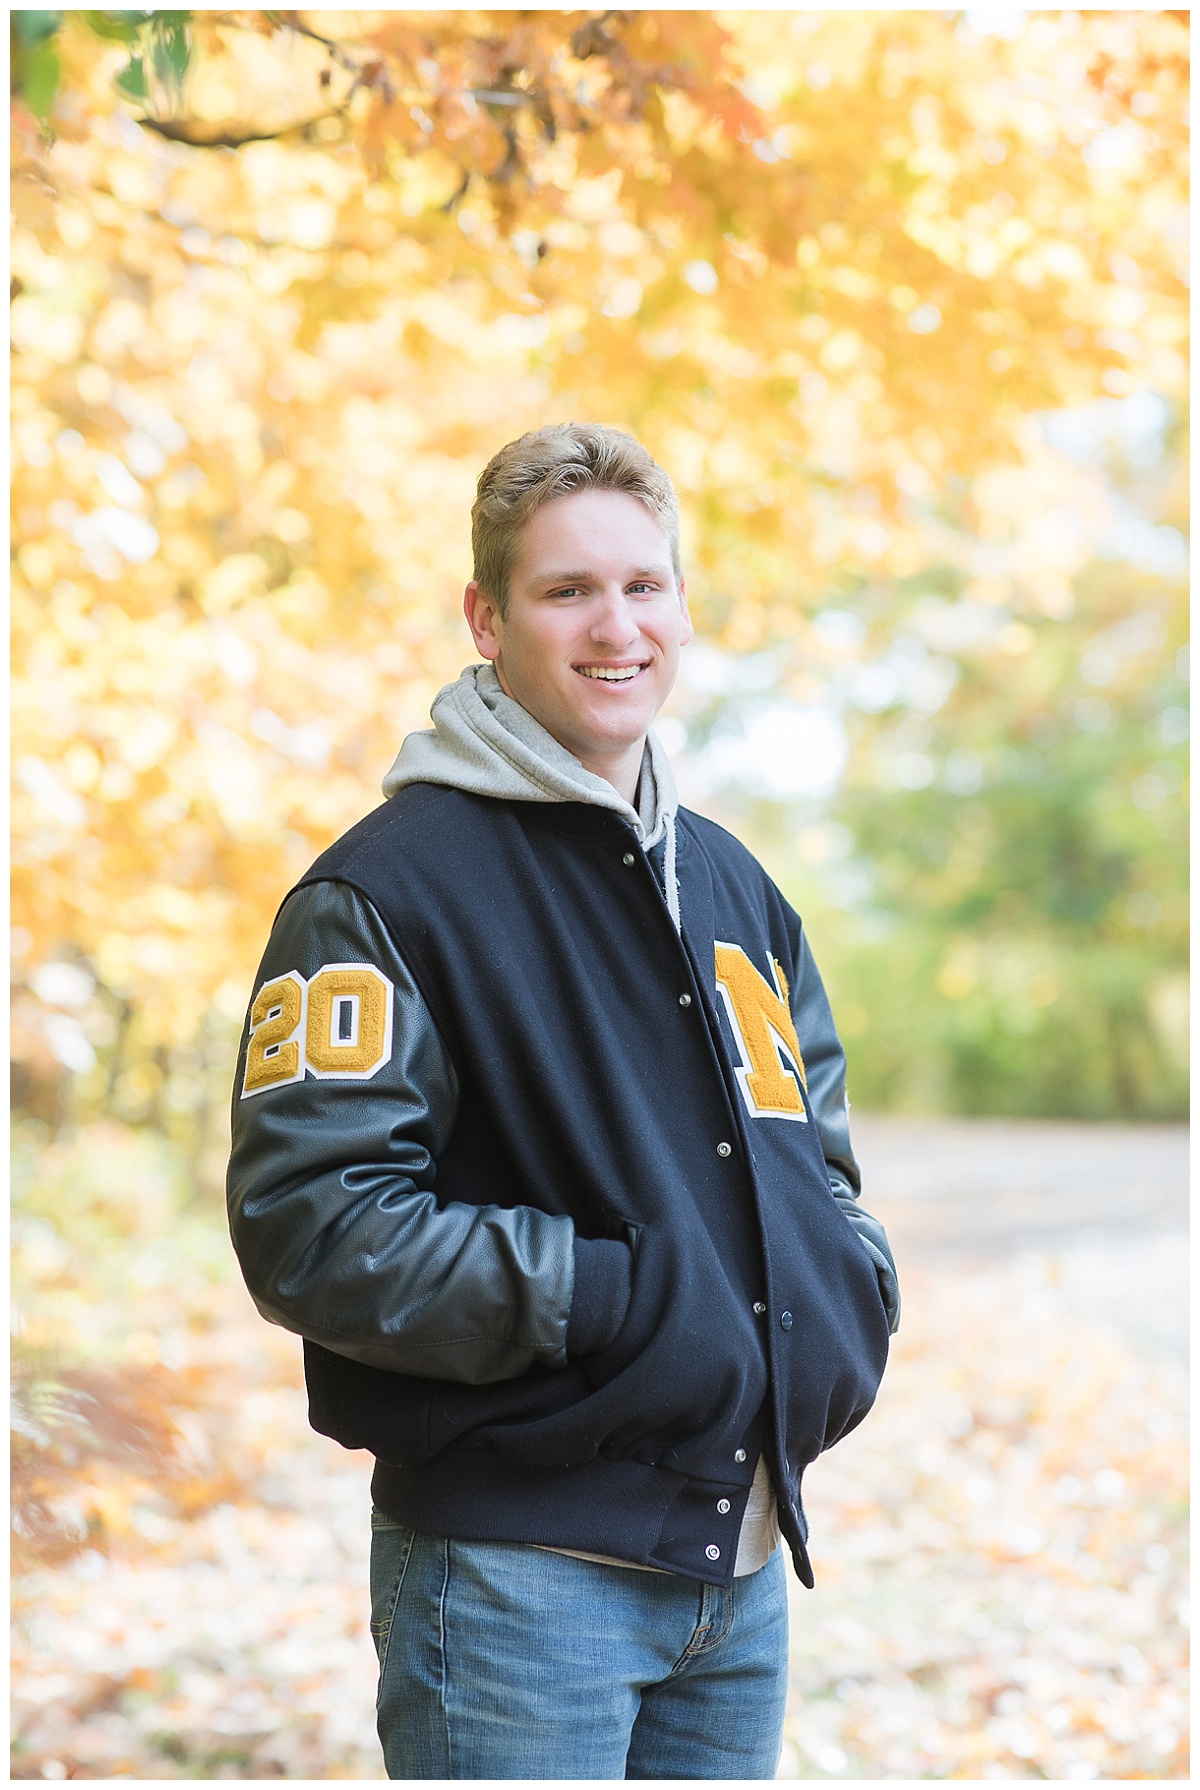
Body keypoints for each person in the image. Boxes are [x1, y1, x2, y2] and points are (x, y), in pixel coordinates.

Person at [227, 422, 900, 1780]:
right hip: (516, 1584)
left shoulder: (733, 888)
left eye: (646, 585)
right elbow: (315, 1222)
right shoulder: (382, 894)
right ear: (486, 618)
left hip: (743, 1567)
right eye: (567, 590)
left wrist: (846, 1283)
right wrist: (612, 1297)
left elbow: (817, 1158)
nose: (618, 626)